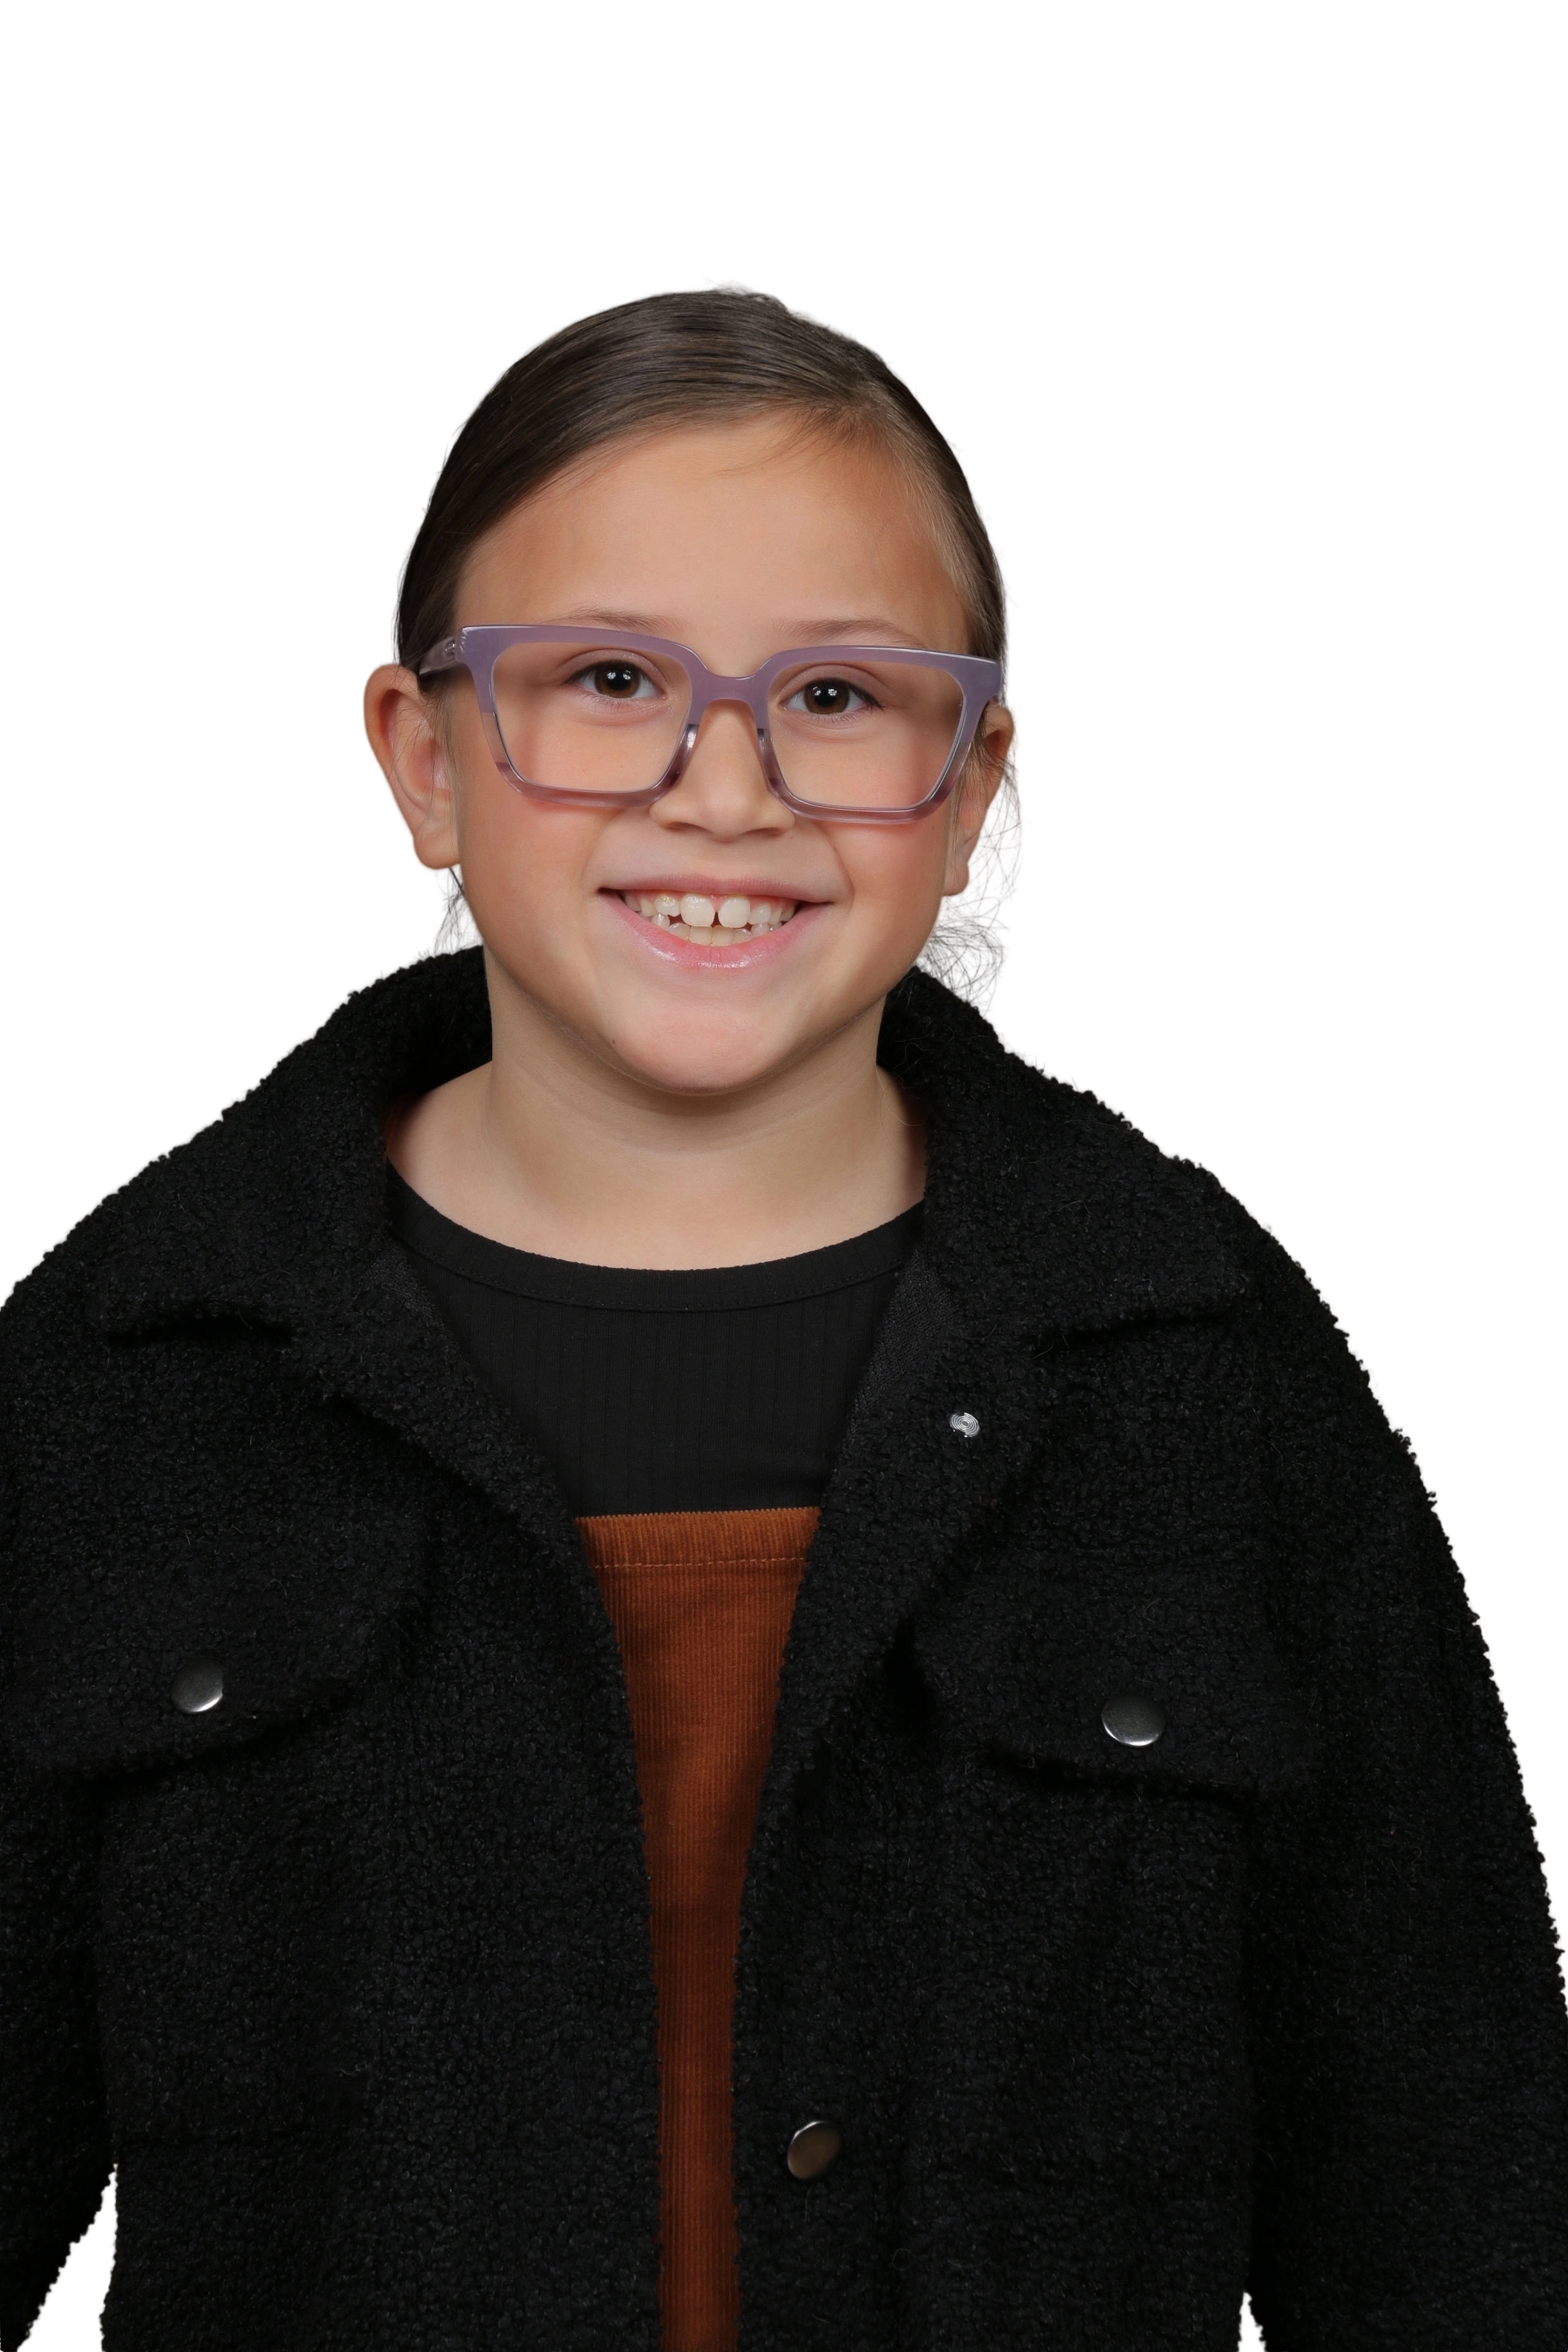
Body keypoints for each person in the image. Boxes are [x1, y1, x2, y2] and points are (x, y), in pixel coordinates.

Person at [1, 277, 1564, 2352]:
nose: (723, 788)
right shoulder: (114, 1386)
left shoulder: (1219, 1381)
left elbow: (1465, 2227)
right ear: (424, 760)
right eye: (610, 677)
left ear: (978, 781)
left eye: (836, 693)